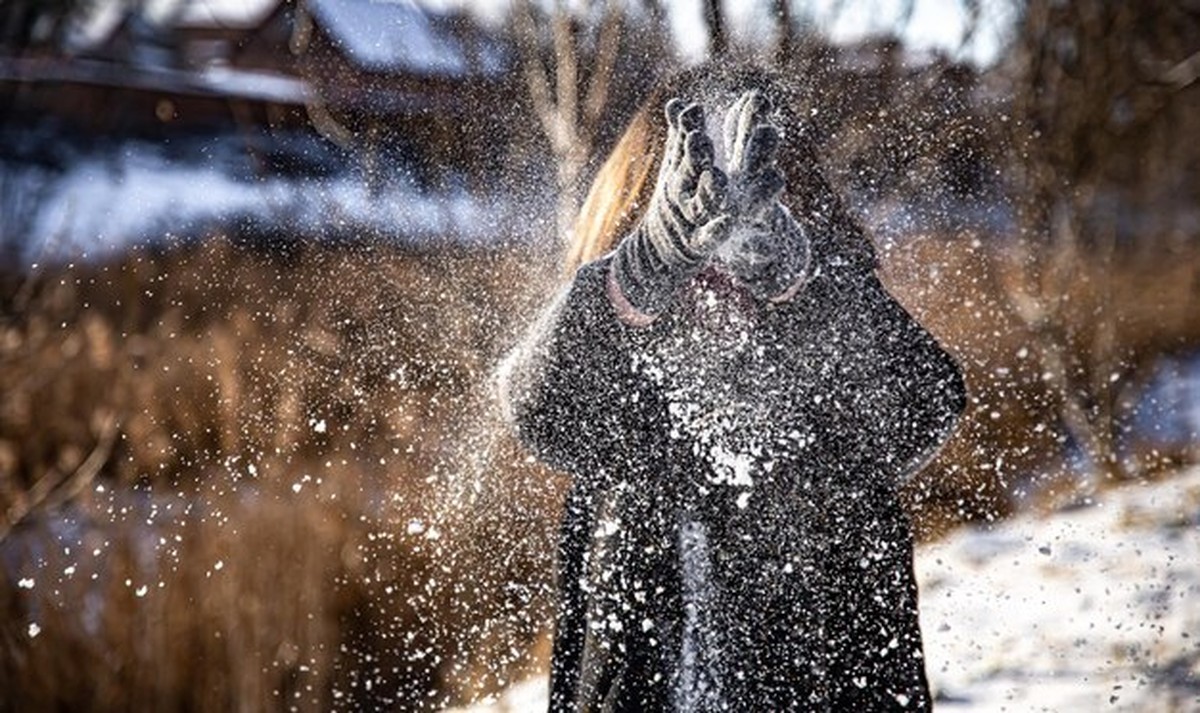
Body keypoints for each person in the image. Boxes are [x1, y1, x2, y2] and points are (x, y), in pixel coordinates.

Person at [497, 66, 966, 712]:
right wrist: (636, 276)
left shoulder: (833, 351)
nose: (716, 246)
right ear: (641, 212)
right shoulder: (620, 382)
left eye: (750, 201)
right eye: (692, 202)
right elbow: (536, 409)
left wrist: (804, 283)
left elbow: (927, 404)